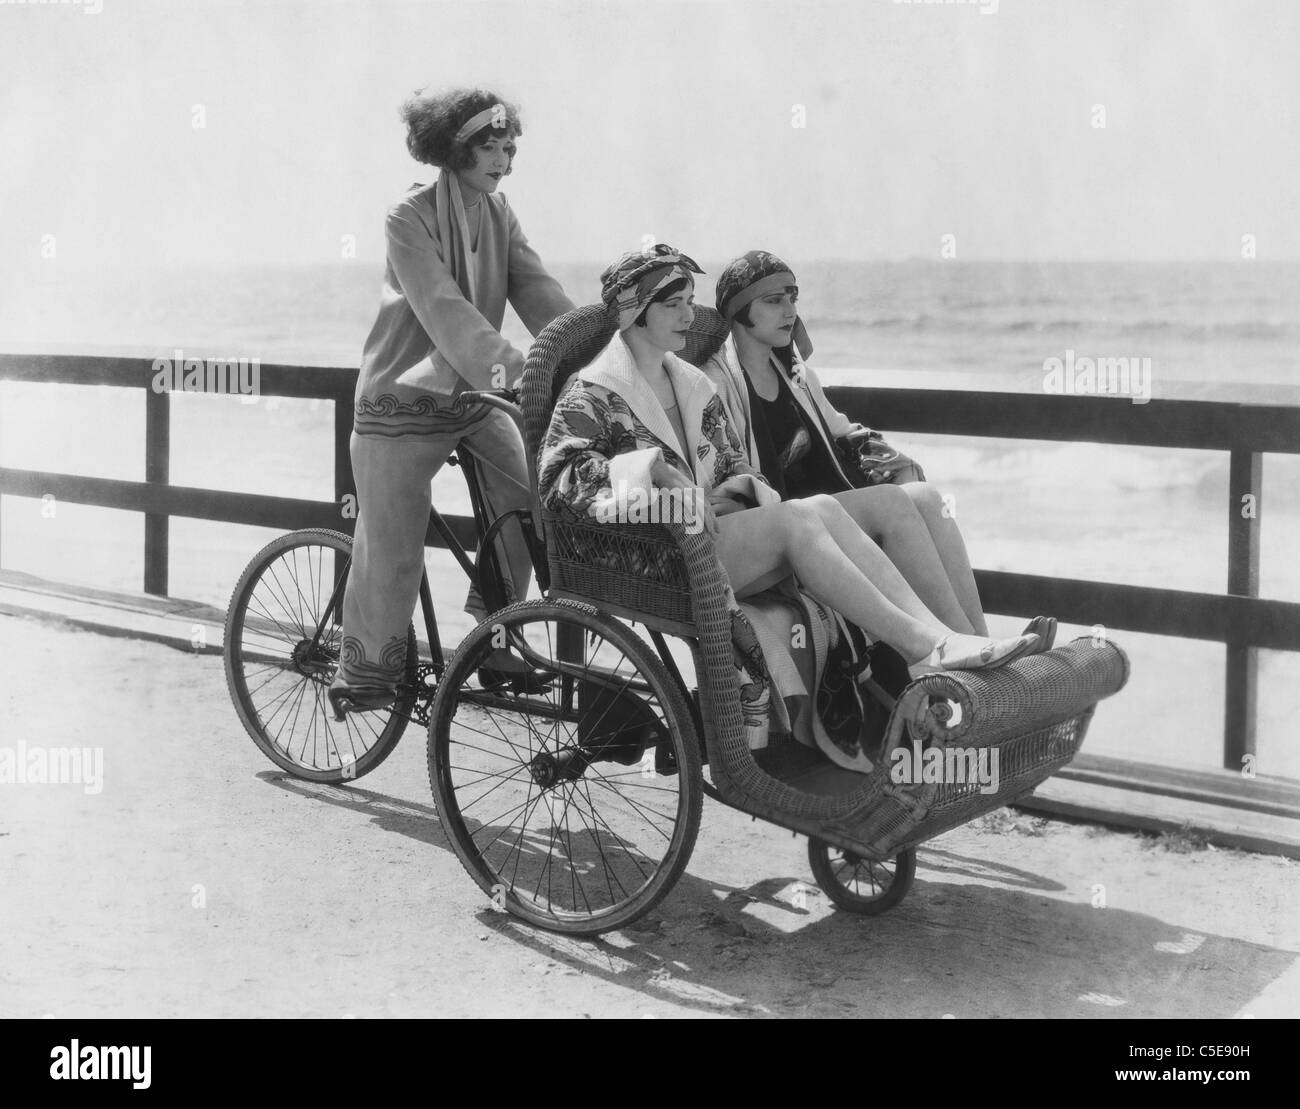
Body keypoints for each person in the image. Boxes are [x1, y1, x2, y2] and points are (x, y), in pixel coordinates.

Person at [537, 246, 1041, 681]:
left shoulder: (692, 385)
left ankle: (945, 642)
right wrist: (651, 471)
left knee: (819, 506)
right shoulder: (593, 393)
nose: (690, 317)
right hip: (653, 558)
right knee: (802, 515)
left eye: (690, 302)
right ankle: (931, 648)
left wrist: (735, 491)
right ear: (634, 315)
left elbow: (739, 465)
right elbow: (556, 480)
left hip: (714, 539)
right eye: (672, 306)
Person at [331, 88, 575, 712]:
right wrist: (515, 370)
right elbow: (444, 308)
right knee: (393, 540)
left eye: (509, 148)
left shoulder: (500, 213)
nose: (503, 162)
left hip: (472, 397)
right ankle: (362, 674)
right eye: (489, 149)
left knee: (528, 499)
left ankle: (491, 637)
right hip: (399, 402)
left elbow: (538, 290)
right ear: (453, 151)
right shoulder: (407, 217)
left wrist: (587, 355)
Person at [704, 249, 1056, 649]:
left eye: (793, 298)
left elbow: (840, 431)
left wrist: (889, 457)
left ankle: (979, 637)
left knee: (925, 496)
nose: (789, 311)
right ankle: (967, 645)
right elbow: (721, 467)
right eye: (774, 300)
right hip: (790, 529)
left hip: (828, 512)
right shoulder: (717, 381)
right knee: (890, 503)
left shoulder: (795, 374)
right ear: (739, 309)